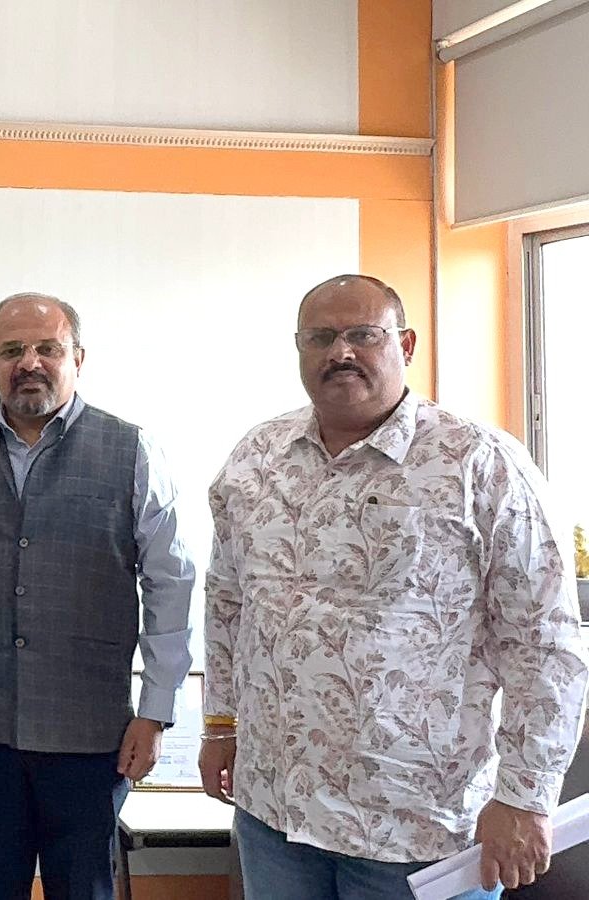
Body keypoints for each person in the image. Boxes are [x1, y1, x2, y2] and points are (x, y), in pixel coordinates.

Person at [200, 274, 589, 898]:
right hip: (275, 809)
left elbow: (544, 640)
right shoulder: (257, 457)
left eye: (363, 335)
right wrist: (220, 724)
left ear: (405, 345)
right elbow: (227, 602)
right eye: (320, 338)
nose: (340, 352)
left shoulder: (480, 462)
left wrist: (525, 795)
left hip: (416, 826)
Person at [0, 292, 196, 900]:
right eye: (11, 350)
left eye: (46, 349)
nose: (29, 363)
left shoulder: (133, 451)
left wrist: (156, 710)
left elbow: (171, 582)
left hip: (92, 738)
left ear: (77, 358)